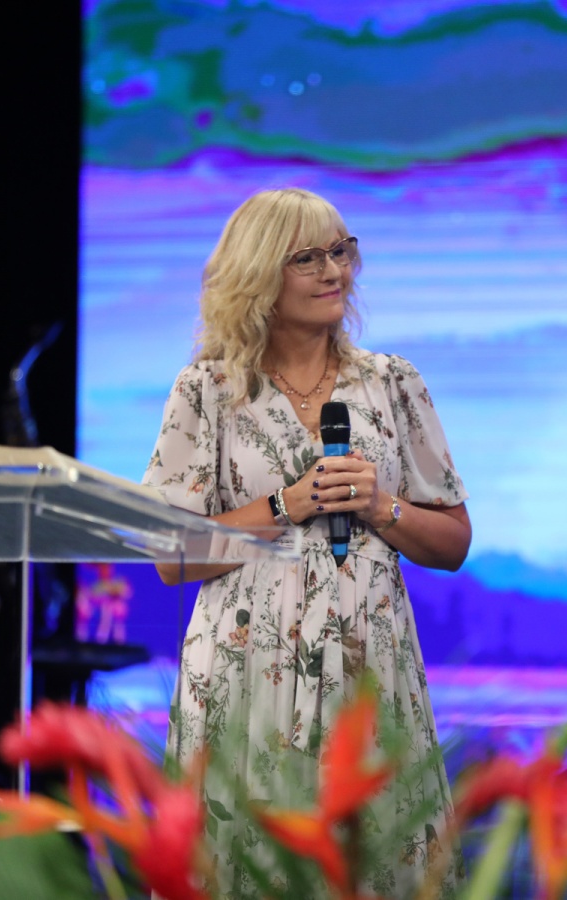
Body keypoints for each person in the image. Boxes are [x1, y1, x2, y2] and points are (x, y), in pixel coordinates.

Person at [143, 188, 471, 897]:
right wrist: (285, 505)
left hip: (367, 665)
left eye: (342, 251)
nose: (335, 271)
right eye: (308, 258)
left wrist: (382, 506)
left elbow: (451, 543)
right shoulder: (207, 390)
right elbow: (170, 555)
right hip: (244, 671)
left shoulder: (391, 382)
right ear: (260, 272)